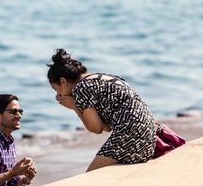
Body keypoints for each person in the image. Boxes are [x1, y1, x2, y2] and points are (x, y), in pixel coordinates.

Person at [47, 48, 185, 172]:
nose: (57, 95)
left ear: (63, 81)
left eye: (56, 89)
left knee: (90, 176)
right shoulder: (99, 78)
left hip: (131, 133)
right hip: (148, 134)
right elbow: (107, 127)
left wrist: (74, 107)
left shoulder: (81, 88)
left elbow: (96, 129)